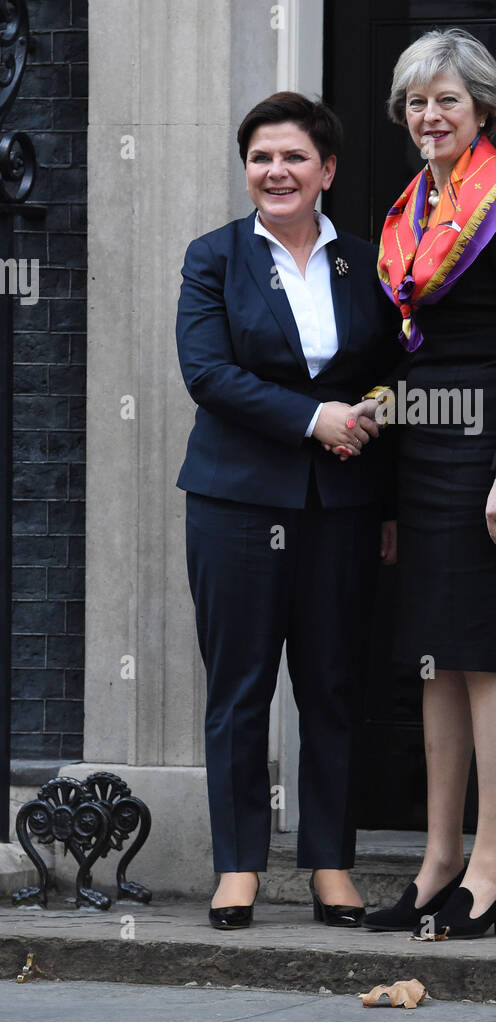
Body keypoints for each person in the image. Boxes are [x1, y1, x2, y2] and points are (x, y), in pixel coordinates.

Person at [175, 92, 399, 930]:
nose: (276, 171)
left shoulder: (369, 264)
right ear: (247, 171)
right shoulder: (214, 258)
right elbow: (208, 374)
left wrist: (378, 453)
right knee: (239, 688)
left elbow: (393, 371)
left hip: (342, 503)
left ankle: (331, 866)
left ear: (327, 171)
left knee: (333, 686)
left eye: (295, 157)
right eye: (262, 158)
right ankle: (237, 867)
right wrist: (315, 418)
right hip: (234, 502)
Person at [362, 29, 496, 939]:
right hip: (425, 451)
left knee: (486, 653)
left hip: (487, 454)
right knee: (432, 659)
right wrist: (395, 495)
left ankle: (494, 863)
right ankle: (439, 859)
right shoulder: (410, 207)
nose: (428, 116)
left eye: (446, 100)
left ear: (483, 107)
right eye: (415, 102)